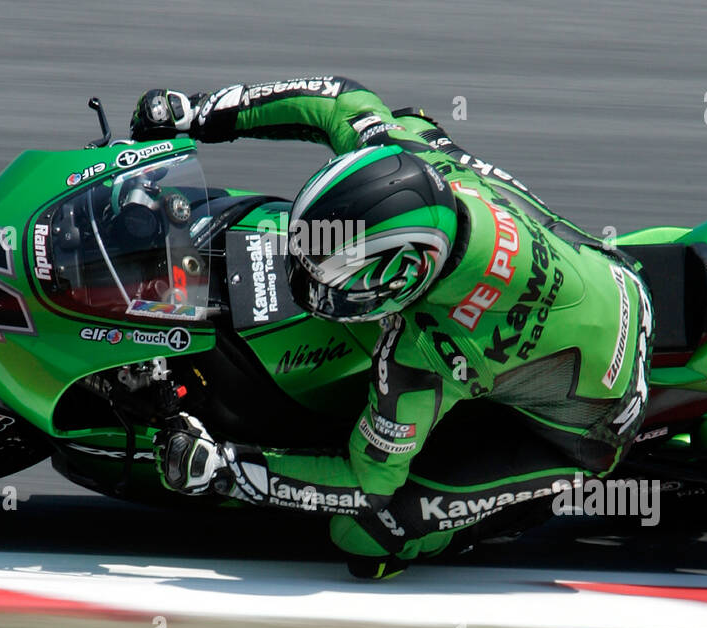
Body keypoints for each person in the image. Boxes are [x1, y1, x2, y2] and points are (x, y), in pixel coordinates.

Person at [129, 77, 653, 579]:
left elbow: (367, 484)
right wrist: (199, 113)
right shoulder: (415, 153)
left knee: (365, 535)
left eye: (331, 280)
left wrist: (226, 469)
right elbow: (336, 100)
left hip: (594, 423)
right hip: (614, 274)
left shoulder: (431, 350)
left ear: (403, 276)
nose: (306, 283)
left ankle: (492, 520)